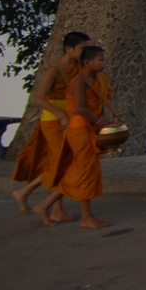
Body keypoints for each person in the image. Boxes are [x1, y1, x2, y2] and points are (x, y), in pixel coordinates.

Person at [11, 30, 91, 220]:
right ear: (68, 49)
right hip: (53, 119)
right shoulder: (54, 70)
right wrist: (61, 114)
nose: (85, 52)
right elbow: (39, 99)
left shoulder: (77, 68)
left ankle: (55, 209)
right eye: (82, 48)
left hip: (71, 117)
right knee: (60, 164)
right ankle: (26, 193)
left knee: (65, 163)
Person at [49, 44, 114, 228]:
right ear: (87, 62)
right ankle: (86, 217)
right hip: (79, 128)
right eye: (100, 60)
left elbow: (101, 101)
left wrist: (103, 118)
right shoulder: (78, 81)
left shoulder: (99, 79)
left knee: (85, 171)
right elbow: (79, 108)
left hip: (93, 126)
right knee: (84, 171)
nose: (104, 63)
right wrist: (96, 121)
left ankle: (44, 205)